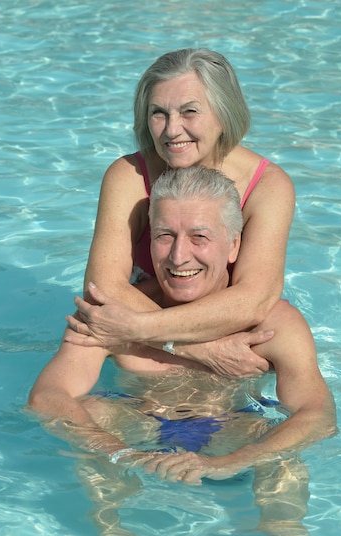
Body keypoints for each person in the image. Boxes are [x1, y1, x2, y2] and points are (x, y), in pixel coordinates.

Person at [28, 166, 336, 536]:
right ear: (147, 243)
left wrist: (230, 462)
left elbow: (318, 415)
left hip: (232, 429)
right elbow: (47, 398)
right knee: (89, 413)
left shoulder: (271, 323)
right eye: (164, 236)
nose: (178, 255)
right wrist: (119, 455)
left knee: (286, 458)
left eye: (199, 236)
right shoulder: (114, 316)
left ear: (234, 245)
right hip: (138, 427)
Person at [75, 48, 296, 377]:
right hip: (149, 327)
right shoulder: (129, 177)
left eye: (189, 111)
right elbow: (102, 289)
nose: (171, 130)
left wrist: (140, 328)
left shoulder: (267, 186)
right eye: (158, 113)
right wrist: (200, 350)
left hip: (225, 322)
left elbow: (255, 300)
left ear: (224, 114)